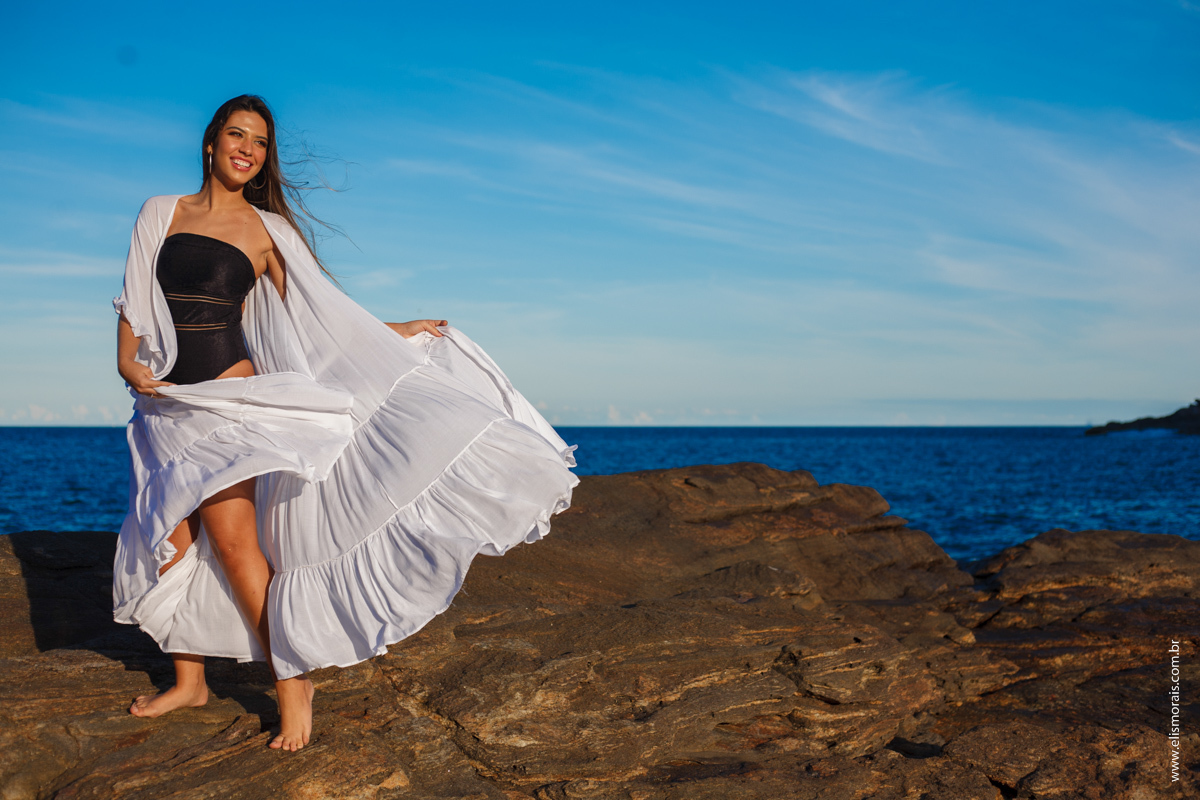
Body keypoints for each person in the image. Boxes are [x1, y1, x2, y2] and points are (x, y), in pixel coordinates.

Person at [113, 95, 577, 751]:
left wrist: (399, 332)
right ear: (211, 143)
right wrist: (127, 363)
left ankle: (292, 681)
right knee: (171, 542)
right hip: (162, 404)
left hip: (229, 399)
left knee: (237, 544)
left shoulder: (267, 229)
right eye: (237, 135)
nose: (248, 149)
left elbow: (324, 319)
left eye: (261, 143)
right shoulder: (160, 212)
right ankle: (190, 681)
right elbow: (134, 295)